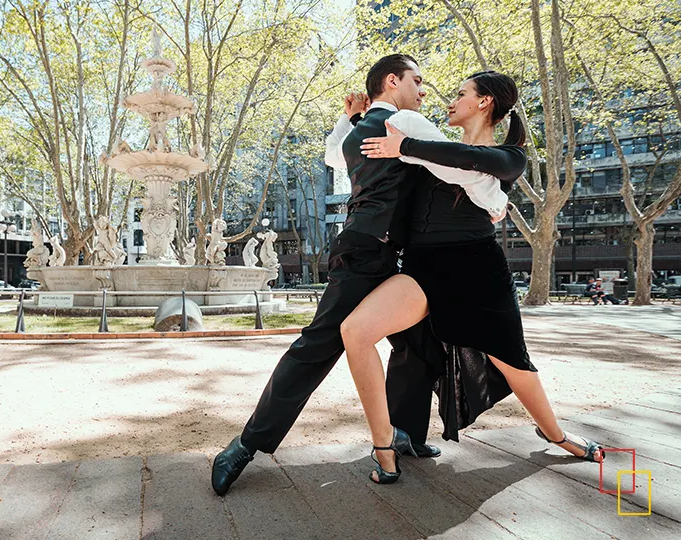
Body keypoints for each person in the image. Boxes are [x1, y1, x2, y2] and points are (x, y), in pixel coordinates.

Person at [211, 54, 511, 496]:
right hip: (368, 255)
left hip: (385, 254)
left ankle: (405, 433)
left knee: (420, 342)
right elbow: (463, 166)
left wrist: (349, 114)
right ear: (393, 82)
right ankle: (245, 445)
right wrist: (497, 205)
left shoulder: (356, 131)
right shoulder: (406, 123)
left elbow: (334, 157)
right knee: (318, 346)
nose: (424, 91)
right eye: (417, 81)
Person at [344, 70, 604, 484]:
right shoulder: (433, 149)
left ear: (484, 103)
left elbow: (480, 161)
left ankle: (555, 433)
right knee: (355, 331)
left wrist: (405, 146)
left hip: (478, 272)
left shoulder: (507, 156)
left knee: (515, 363)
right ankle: (383, 444)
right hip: (422, 268)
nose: (450, 101)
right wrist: (359, 120)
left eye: (461, 93)